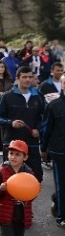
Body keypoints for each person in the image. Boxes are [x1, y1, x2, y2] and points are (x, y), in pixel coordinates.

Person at [0, 66, 45, 182]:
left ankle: (27, 200)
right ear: (17, 78)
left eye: (30, 77)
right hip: (12, 144)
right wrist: (11, 123)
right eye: (24, 77)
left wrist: (38, 129)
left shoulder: (38, 97)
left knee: (36, 177)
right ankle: (13, 201)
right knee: (11, 178)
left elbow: (42, 117)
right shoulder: (7, 96)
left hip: (31, 143)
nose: (27, 80)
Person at [40, 73, 65, 228]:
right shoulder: (54, 105)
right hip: (59, 152)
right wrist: (43, 148)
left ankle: (56, 200)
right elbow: (46, 128)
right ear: (62, 85)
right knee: (62, 185)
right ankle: (61, 216)